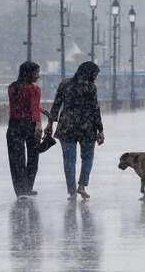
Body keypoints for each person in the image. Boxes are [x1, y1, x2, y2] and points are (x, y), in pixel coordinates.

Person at [45, 61, 105, 200]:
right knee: (87, 158)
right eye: (95, 74)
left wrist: (50, 123)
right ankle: (82, 187)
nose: (96, 77)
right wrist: (100, 130)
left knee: (69, 160)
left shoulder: (65, 84)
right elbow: (95, 109)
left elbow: (56, 105)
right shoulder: (91, 87)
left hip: (67, 127)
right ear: (90, 73)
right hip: (87, 127)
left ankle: (71, 191)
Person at [7, 61, 43, 198]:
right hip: (30, 124)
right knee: (33, 157)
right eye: (36, 73)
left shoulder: (12, 87)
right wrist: (38, 124)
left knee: (16, 158)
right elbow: (33, 107)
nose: (38, 76)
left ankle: (20, 190)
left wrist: (39, 109)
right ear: (30, 73)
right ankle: (28, 186)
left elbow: (21, 105)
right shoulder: (34, 89)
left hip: (14, 124)